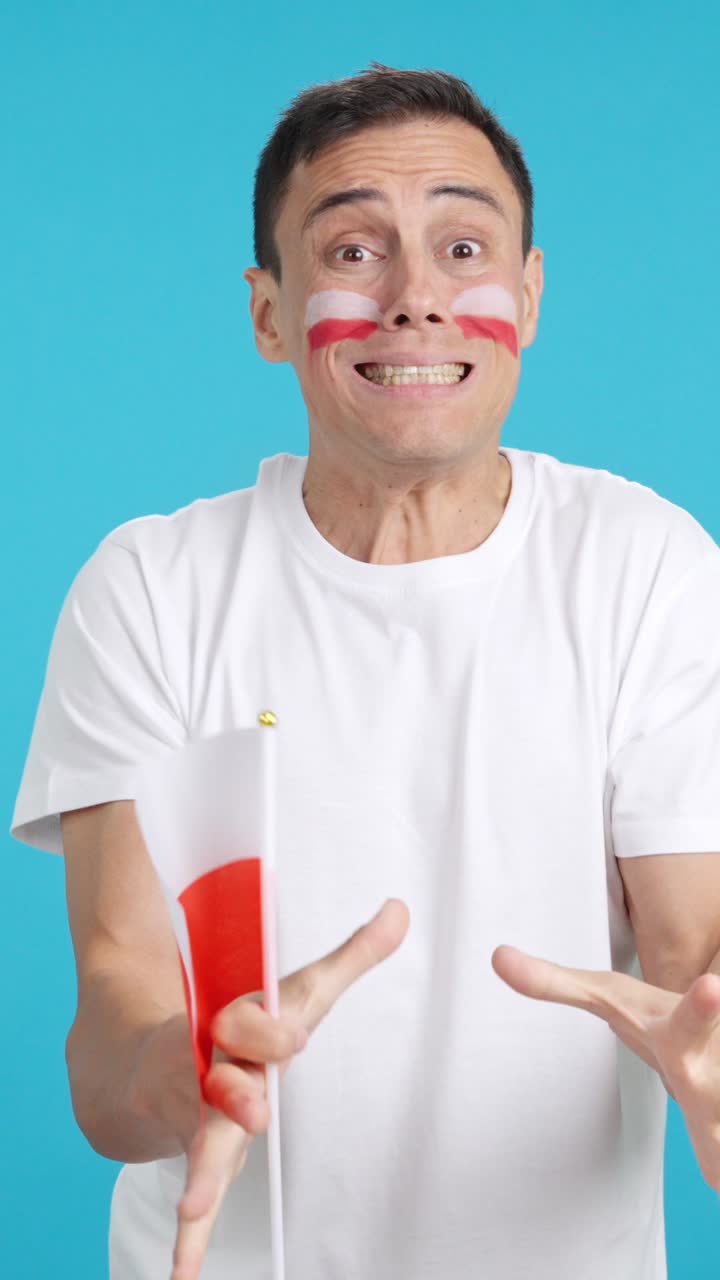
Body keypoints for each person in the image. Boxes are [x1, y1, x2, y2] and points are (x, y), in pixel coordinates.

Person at [10, 62, 720, 1280]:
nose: (413, 300)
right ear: (269, 312)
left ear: (531, 295)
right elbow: (111, 1028)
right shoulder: (150, 587)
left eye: (461, 245)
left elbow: (692, 953)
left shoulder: (648, 565)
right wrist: (192, 1077)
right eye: (351, 251)